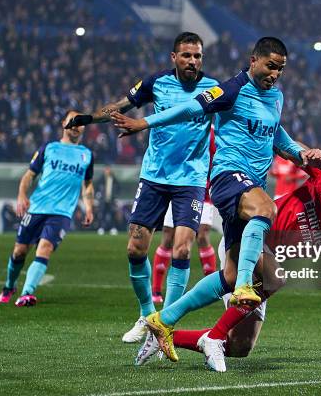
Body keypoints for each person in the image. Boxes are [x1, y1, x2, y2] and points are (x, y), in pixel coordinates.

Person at [111, 37, 321, 357]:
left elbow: (277, 133)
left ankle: (164, 320)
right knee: (266, 208)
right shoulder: (231, 89)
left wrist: (301, 154)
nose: (275, 74)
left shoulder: (276, 97)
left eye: (280, 69)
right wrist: (144, 121)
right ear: (253, 61)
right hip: (228, 178)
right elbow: (188, 107)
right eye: (270, 66)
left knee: (251, 276)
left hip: (250, 184)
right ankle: (242, 288)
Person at [136, 163, 321, 372]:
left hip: (268, 269)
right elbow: (301, 154)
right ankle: (205, 333)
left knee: (240, 347)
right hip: (251, 238)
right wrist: (299, 147)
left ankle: (164, 333)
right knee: (275, 278)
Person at [68, 32, 219, 343]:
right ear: (174, 57)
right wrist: (87, 118)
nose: (193, 61)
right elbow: (119, 105)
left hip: (190, 180)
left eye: (198, 56)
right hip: (154, 177)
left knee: (181, 248)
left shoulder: (213, 89)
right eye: (187, 55)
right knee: (135, 248)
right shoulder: (157, 82)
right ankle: (146, 313)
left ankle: (164, 322)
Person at [0, 111, 94, 307]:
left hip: (62, 212)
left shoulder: (87, 154)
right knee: (19, 252)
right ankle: (9, 286)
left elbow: (88, 184)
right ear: (63, 123)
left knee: (45, 248)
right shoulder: (49, 148)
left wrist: (89, 207)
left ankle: (26, 293)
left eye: (80, 122)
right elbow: (29, 175)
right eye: (72, 121)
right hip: (37, 207)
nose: (76, 125)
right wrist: (22, 195)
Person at [151, 128, 218, 303]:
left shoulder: (213, 133)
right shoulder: (180, 127)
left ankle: (211, 286)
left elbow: (216, 160)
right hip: (174, 187)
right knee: (168, 236)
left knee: (202, 235)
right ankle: (156, 290)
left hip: (201, 191)